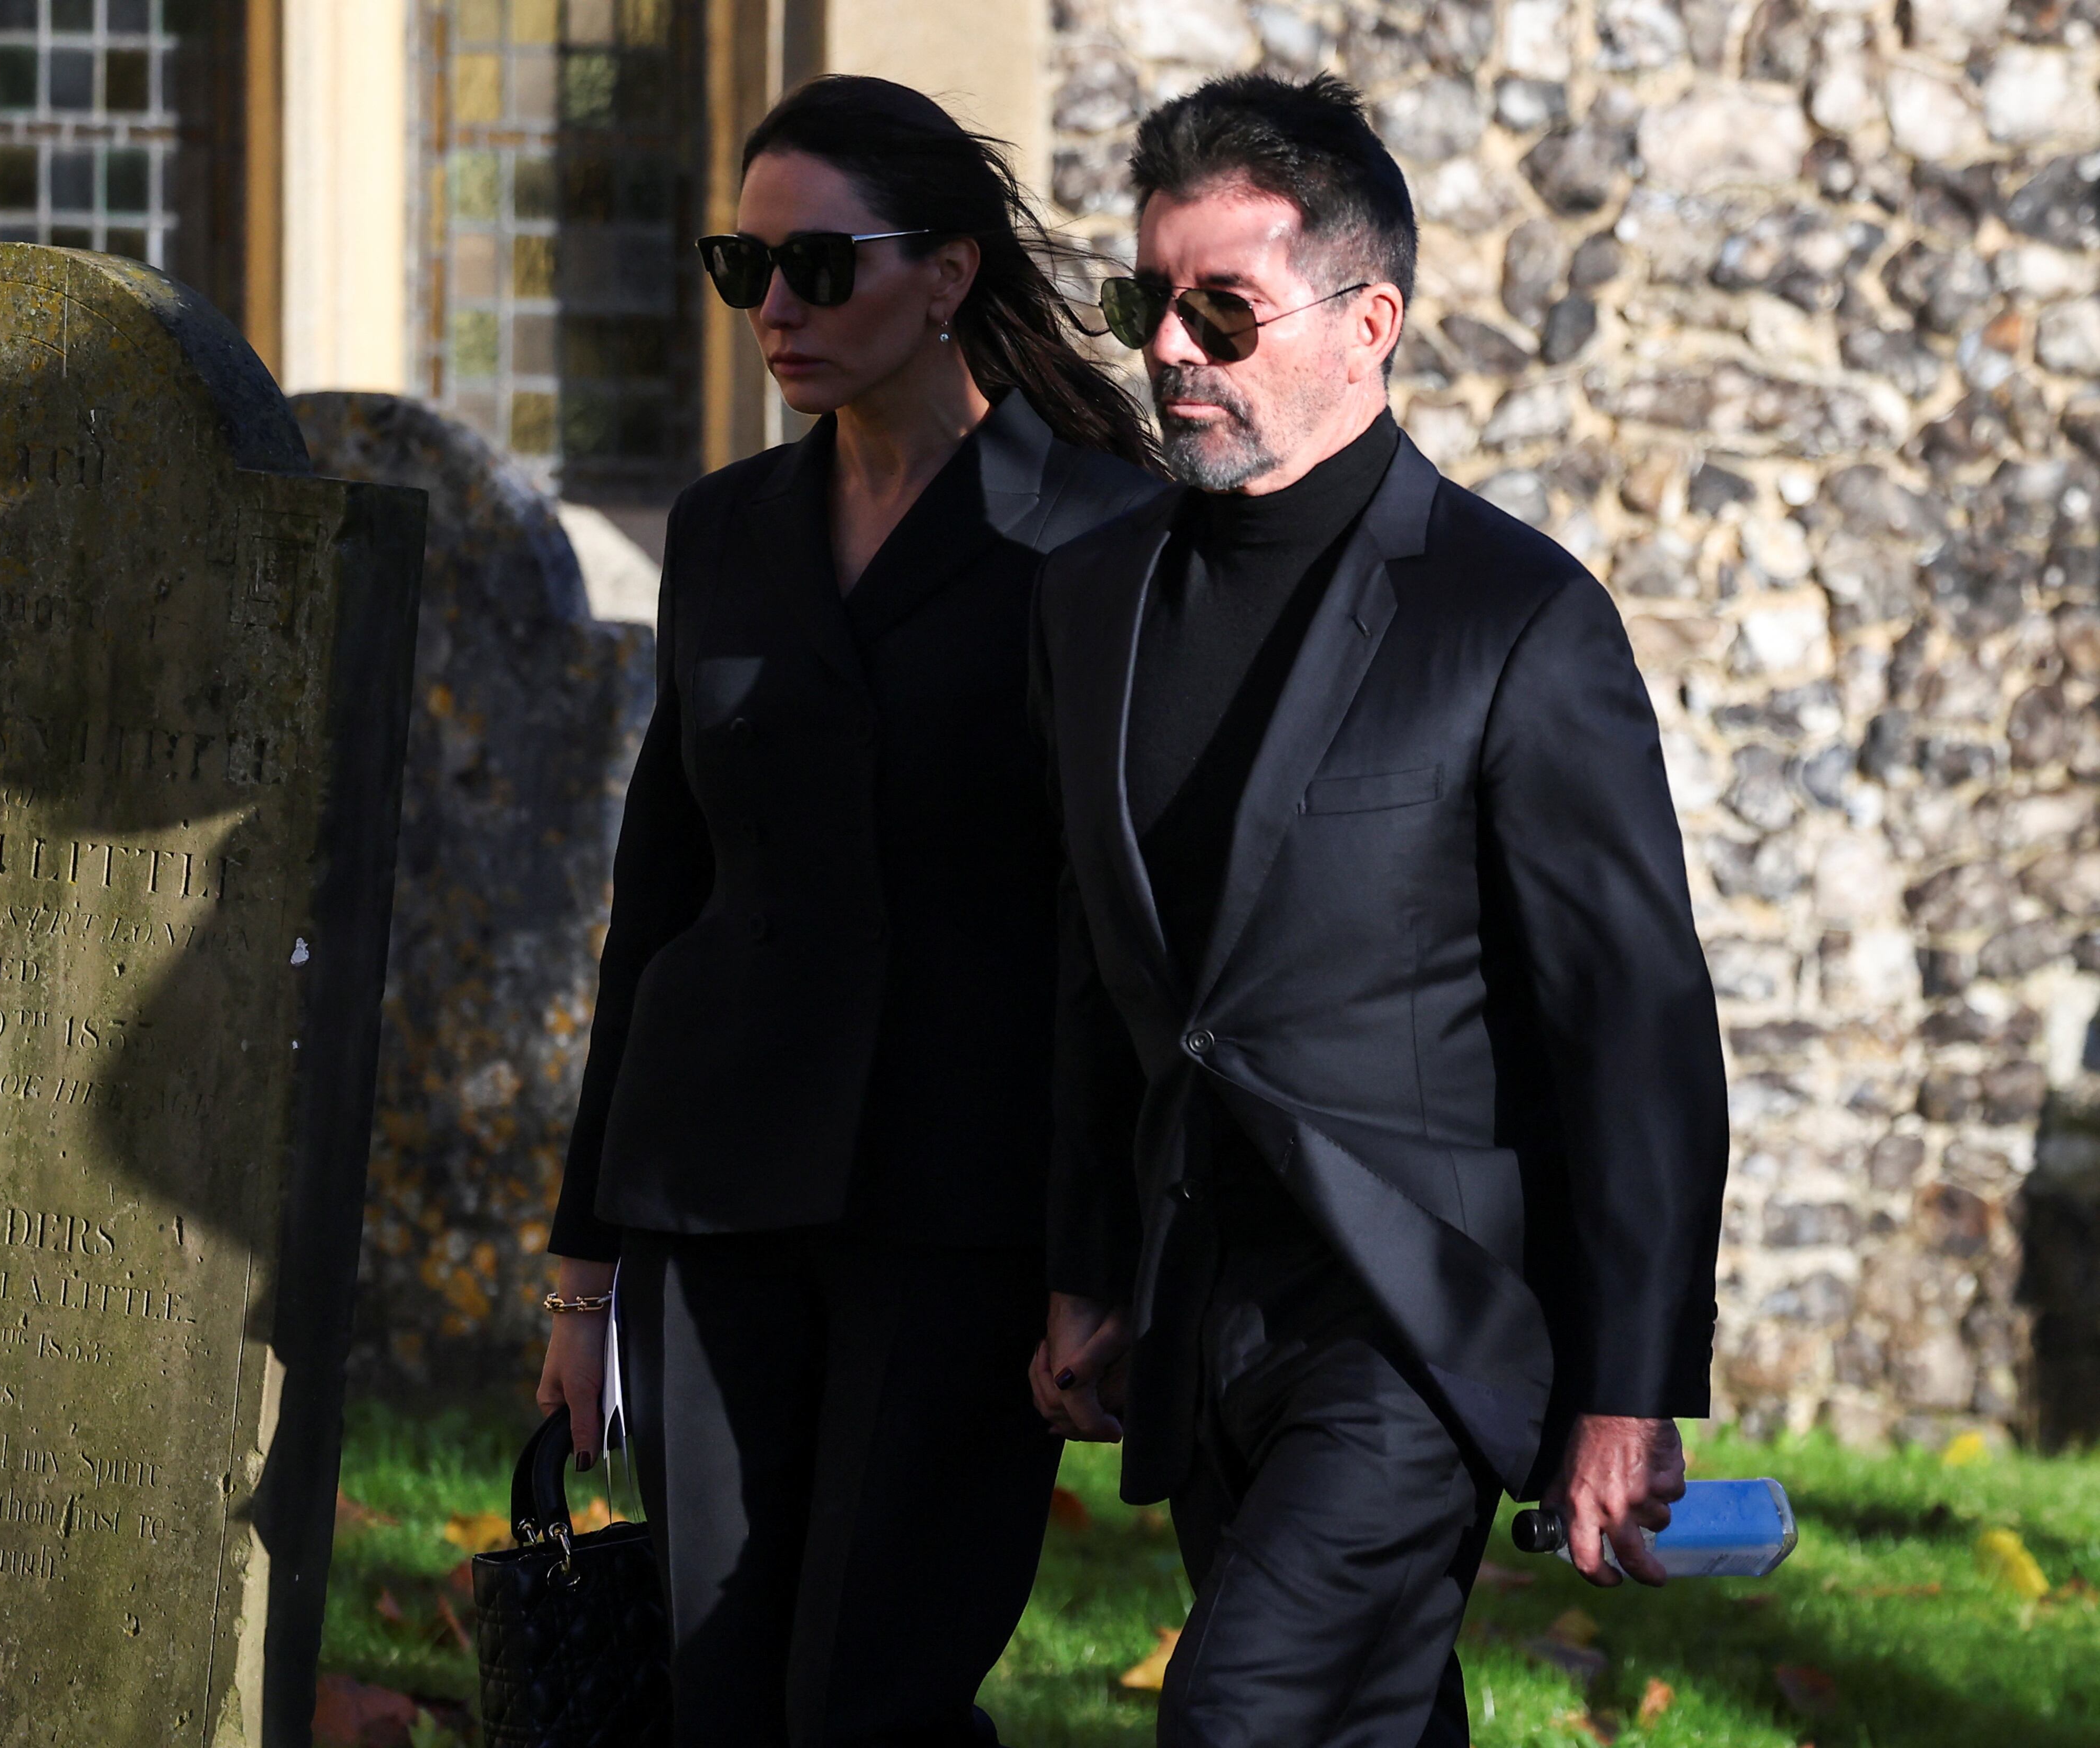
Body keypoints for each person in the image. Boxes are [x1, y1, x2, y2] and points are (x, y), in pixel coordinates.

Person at [1026, 73, 1729, 1747]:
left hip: (1416, 1323)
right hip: (1200, 1306)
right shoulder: (1091, 600)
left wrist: (1632, 1385)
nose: (1172, 350)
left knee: (1241, 1714)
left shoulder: (1515, 620)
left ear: (1370, 321)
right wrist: (1087, 1264)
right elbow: (1096, 969)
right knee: (1373, 1720)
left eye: (1223, 309)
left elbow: (1631, 1029)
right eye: (1147, 304)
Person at [536, 75, 1163, 1746]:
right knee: (723, 1693)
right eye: (745, 271)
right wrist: (583, 1271)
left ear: (948, 275)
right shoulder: (727, 528)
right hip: (715, 1192)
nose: (778, 311)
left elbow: (1117, 935)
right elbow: (659, 885)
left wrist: (1095, 1259)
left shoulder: (1103, 535)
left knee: (868, 1697)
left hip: (962, 1216)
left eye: (822, 267)